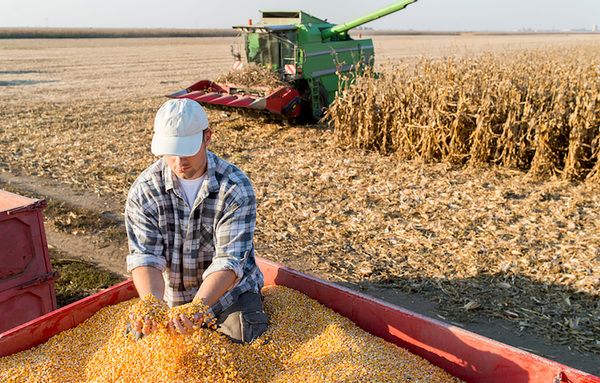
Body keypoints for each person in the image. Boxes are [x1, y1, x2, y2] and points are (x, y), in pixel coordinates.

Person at [124, 98, 268, 343]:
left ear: (207, 138)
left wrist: (198, 308)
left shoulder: (234, 187)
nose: (179, 161)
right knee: (136, 340)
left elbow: (229, 261)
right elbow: (145, 257)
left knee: (244, 340)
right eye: (172, 152)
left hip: (228, 295)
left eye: (188, 150)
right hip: (172, 296)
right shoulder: (145, 190)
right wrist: (152, 304)